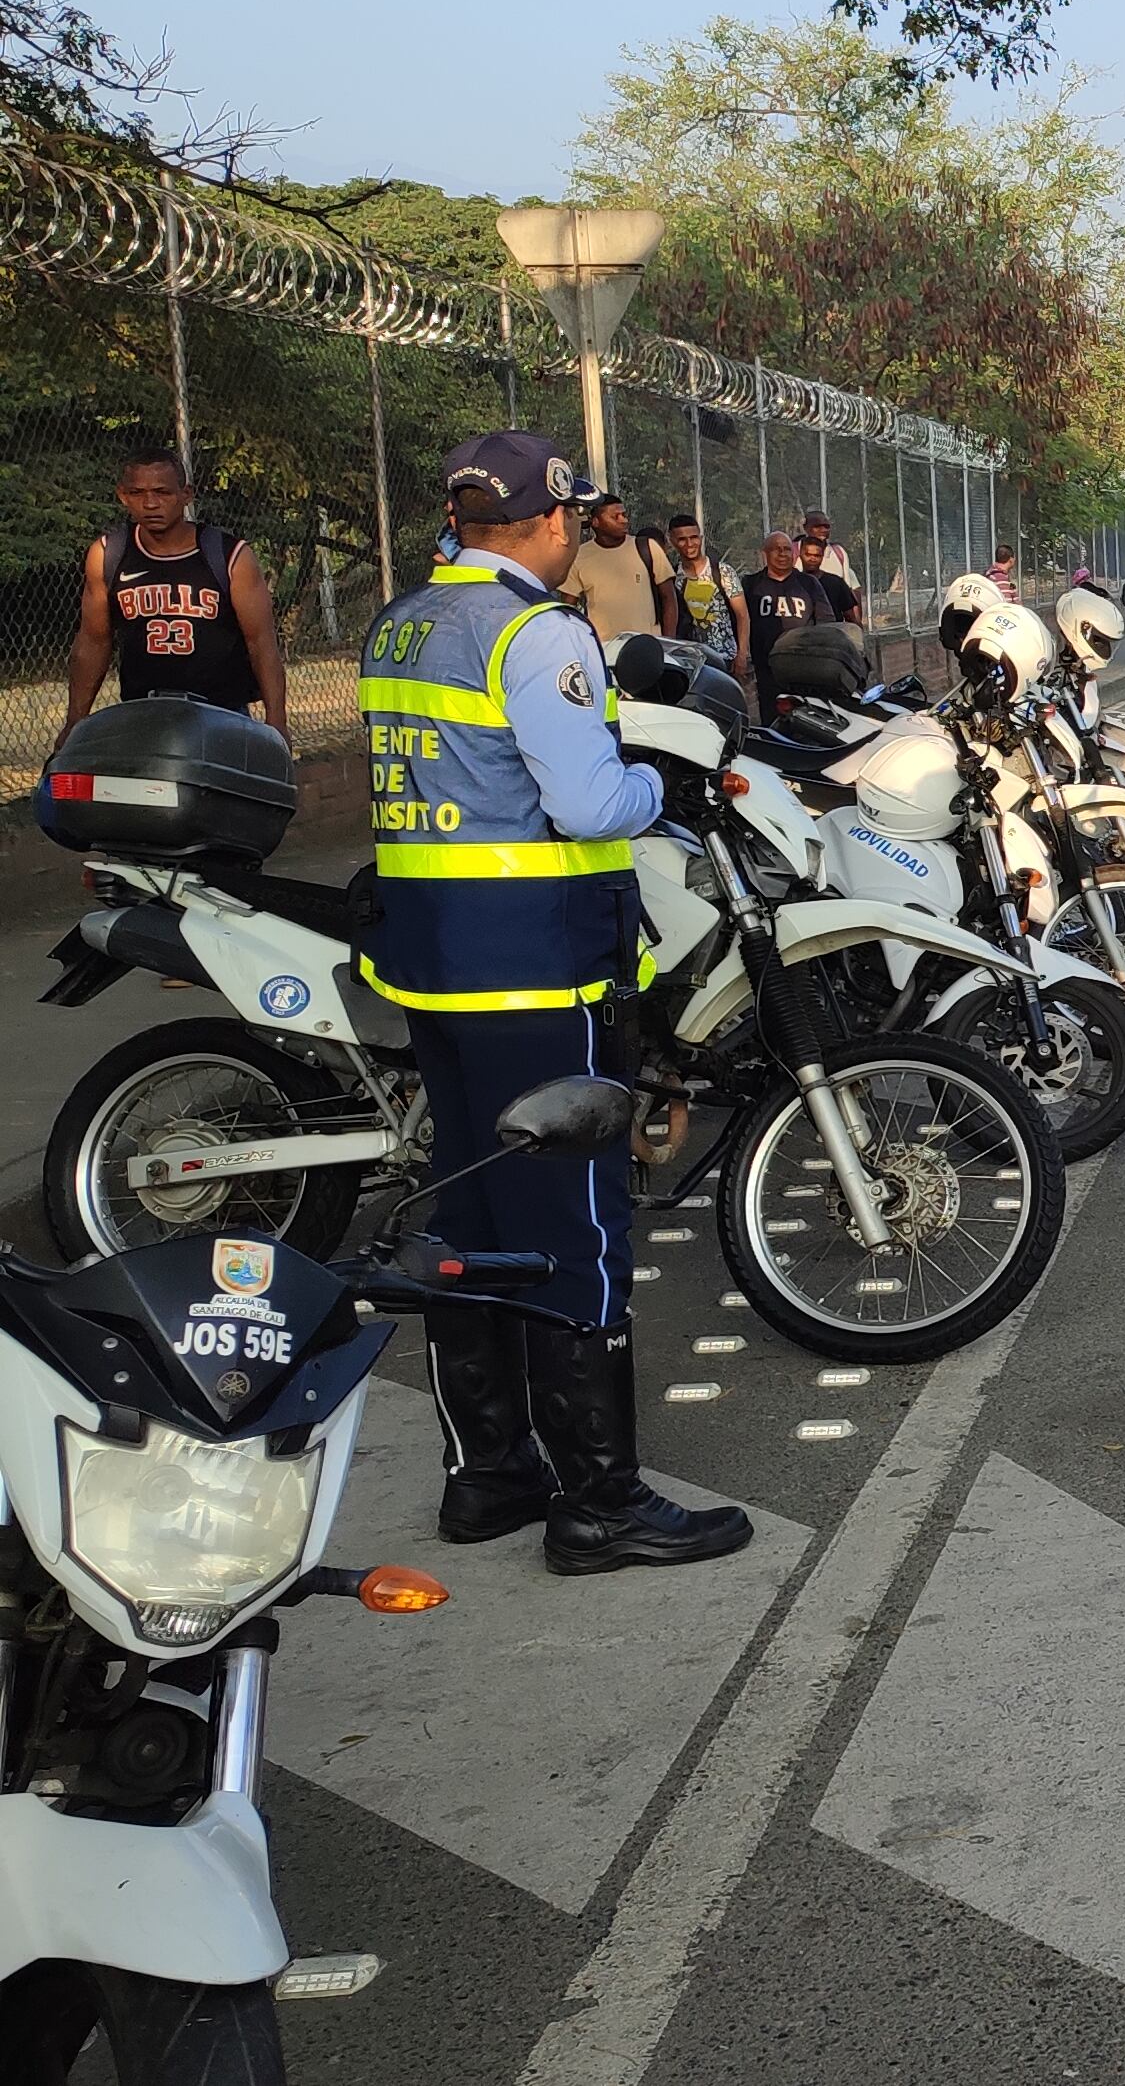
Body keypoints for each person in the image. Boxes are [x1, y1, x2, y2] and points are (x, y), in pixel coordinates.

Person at [360, 430, 748, 1575]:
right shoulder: (540, 630)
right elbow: (585, 803)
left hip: (433, 962)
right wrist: (656, 781)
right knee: (573, 1222)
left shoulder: (404, 621)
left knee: (472, 1213)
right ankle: (600, 1502)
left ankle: (489, 1476)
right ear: (548, 520)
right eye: (569, 514)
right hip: (538, 963)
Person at [67, 447, 287, 740]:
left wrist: (277, 722)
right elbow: (93, 642)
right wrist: (74, 722)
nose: (150, 503)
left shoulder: (228, 555)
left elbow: (260, 641)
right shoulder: (108, 554)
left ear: (186, 495)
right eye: (138, 493)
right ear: (123, 495)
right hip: (143, 712)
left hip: (221, 714)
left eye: (162, 492)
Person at [564, 494, 669, 641]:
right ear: (595, 522)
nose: (624, 520)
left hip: (649, 647)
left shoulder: (648, 548)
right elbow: (568, 608)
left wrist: (669, 643)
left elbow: (669, 598)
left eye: (624, 515)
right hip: (605, 650)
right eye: (615, 517)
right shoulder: (579, 557)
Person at [659, 514, 745, 675]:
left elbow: (742, 615)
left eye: (694, 537)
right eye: (682, 539)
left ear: (701, 538)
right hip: (689, 660)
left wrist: (742, 655)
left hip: (725, 657)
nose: (690, 544)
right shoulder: (671, 576)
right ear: (671, 540)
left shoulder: (723, 572)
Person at [742, 530, 839, 659]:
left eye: (787, 549)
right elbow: (740, 620)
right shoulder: (750, 584)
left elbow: (826, 622)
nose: (782, 553)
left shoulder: (809, 583)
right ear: (765, 554)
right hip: (763, 661)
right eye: (776, 549)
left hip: (801, 660)